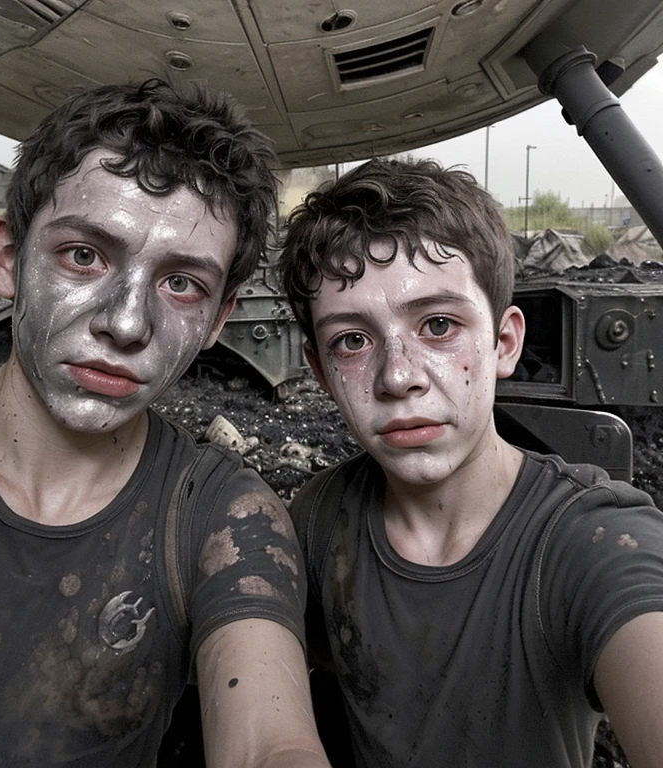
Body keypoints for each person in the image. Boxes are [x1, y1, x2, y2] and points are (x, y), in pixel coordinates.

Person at [0, 80, 330, 768]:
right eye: (85, 255)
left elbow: (267, 743)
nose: (126, 324)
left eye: (181, 283)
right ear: (7, 257)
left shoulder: (221, 517)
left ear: (219, 318)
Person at [278, 156, 663, 768]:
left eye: (438, 324)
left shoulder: (592, 539)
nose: (398, 377)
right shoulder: (319, 520)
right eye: (353, 340)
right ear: (321, 371)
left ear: (504, 342)